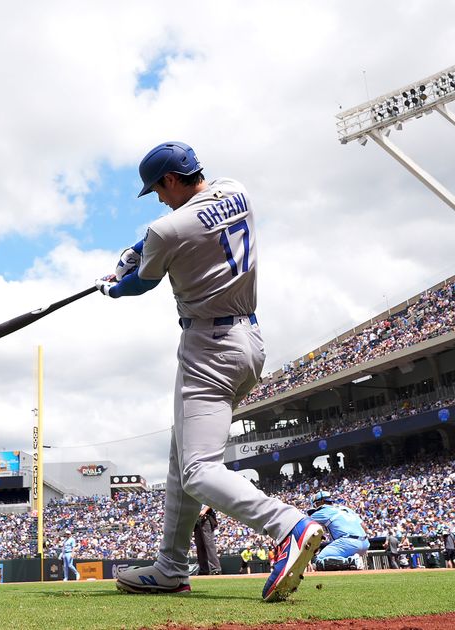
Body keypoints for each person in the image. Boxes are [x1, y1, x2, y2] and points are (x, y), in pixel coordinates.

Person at [104, 141, 323, 601]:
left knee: (199, 470)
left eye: (158, 189)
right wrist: (136, 249)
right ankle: (170, 566)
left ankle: (290, 527)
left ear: (169, 179)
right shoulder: (234, 189)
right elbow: (170, 229)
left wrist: (112, 286)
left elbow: (141, 282)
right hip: (250, 342)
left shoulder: (166, 229)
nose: (159, 198)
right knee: (180, 456)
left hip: (208, 346)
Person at [307, 491, 368, 571]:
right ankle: (351, 562)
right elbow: (364, 527)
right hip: (365, 543)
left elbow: (303, 524)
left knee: (316, 562)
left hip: (348, 543)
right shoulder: (345, 509)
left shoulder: (322, 511)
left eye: (316, 503)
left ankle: (352, 562)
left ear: (321, 502)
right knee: (336, 561)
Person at [192, 506, 221, 575]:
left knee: (209, 544)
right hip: (196, 520)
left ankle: (215, 568)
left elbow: (210, 501)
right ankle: (203, 569)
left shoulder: (204, 495)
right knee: (199, 545)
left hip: (205, 518)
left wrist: (204, 510)